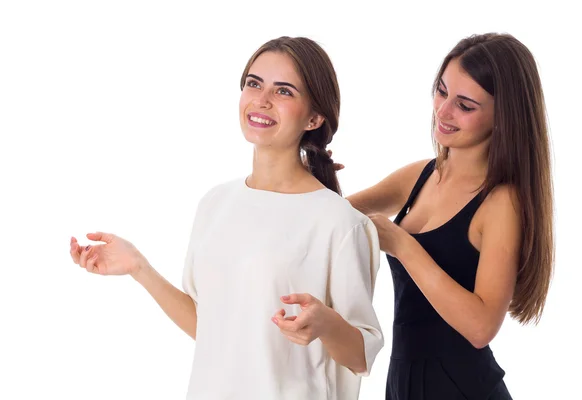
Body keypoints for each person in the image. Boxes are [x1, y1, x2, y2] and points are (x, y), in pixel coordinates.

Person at [69, 36, 383, 400]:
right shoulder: (216, 203)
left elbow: (361, 358)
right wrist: (139, 267)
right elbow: (211, 329)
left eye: (283, 91)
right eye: (253, 83)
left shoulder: (338, 222)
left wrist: (327, 324)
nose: (261, 100)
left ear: (314, 117)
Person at [344, 33, 554, 399]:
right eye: (441, 91)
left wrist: (402, 246)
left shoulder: (502, 203)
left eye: (465, 105)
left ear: (504, 116)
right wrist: (312, 165)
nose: (442, 111)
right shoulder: (421, 175)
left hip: (461, 388)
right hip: (403, 382)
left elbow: (481, 327)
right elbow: (334, 216)